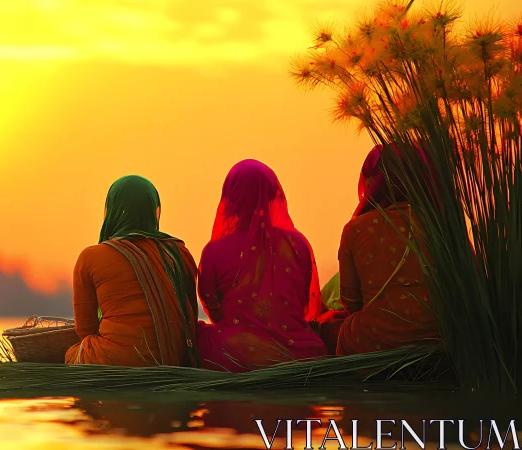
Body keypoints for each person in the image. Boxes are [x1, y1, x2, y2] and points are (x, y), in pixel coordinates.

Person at [195, 160, 327, 372]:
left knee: (198, 336)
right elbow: (303, 303)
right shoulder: (297, 245)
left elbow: (212, 307)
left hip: (234, 355)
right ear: (274, 195)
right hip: (300, 354)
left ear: (229, 198)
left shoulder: (214, 251)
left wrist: (242, 328)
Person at [65, 175, 199, 367]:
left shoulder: (91, 257)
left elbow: (85, 330)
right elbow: (190, 318)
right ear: (154, 211)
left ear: (111, 211)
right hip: (171, 360)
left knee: (71, 354)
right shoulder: (178, 253)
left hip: (112, 361)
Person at [332, 144, 439, 355]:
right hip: (439, 341)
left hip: (375, 342)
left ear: (374, 180)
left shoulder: (357, 228)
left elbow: (351, 301)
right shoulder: (443, 224)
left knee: (343, 328)